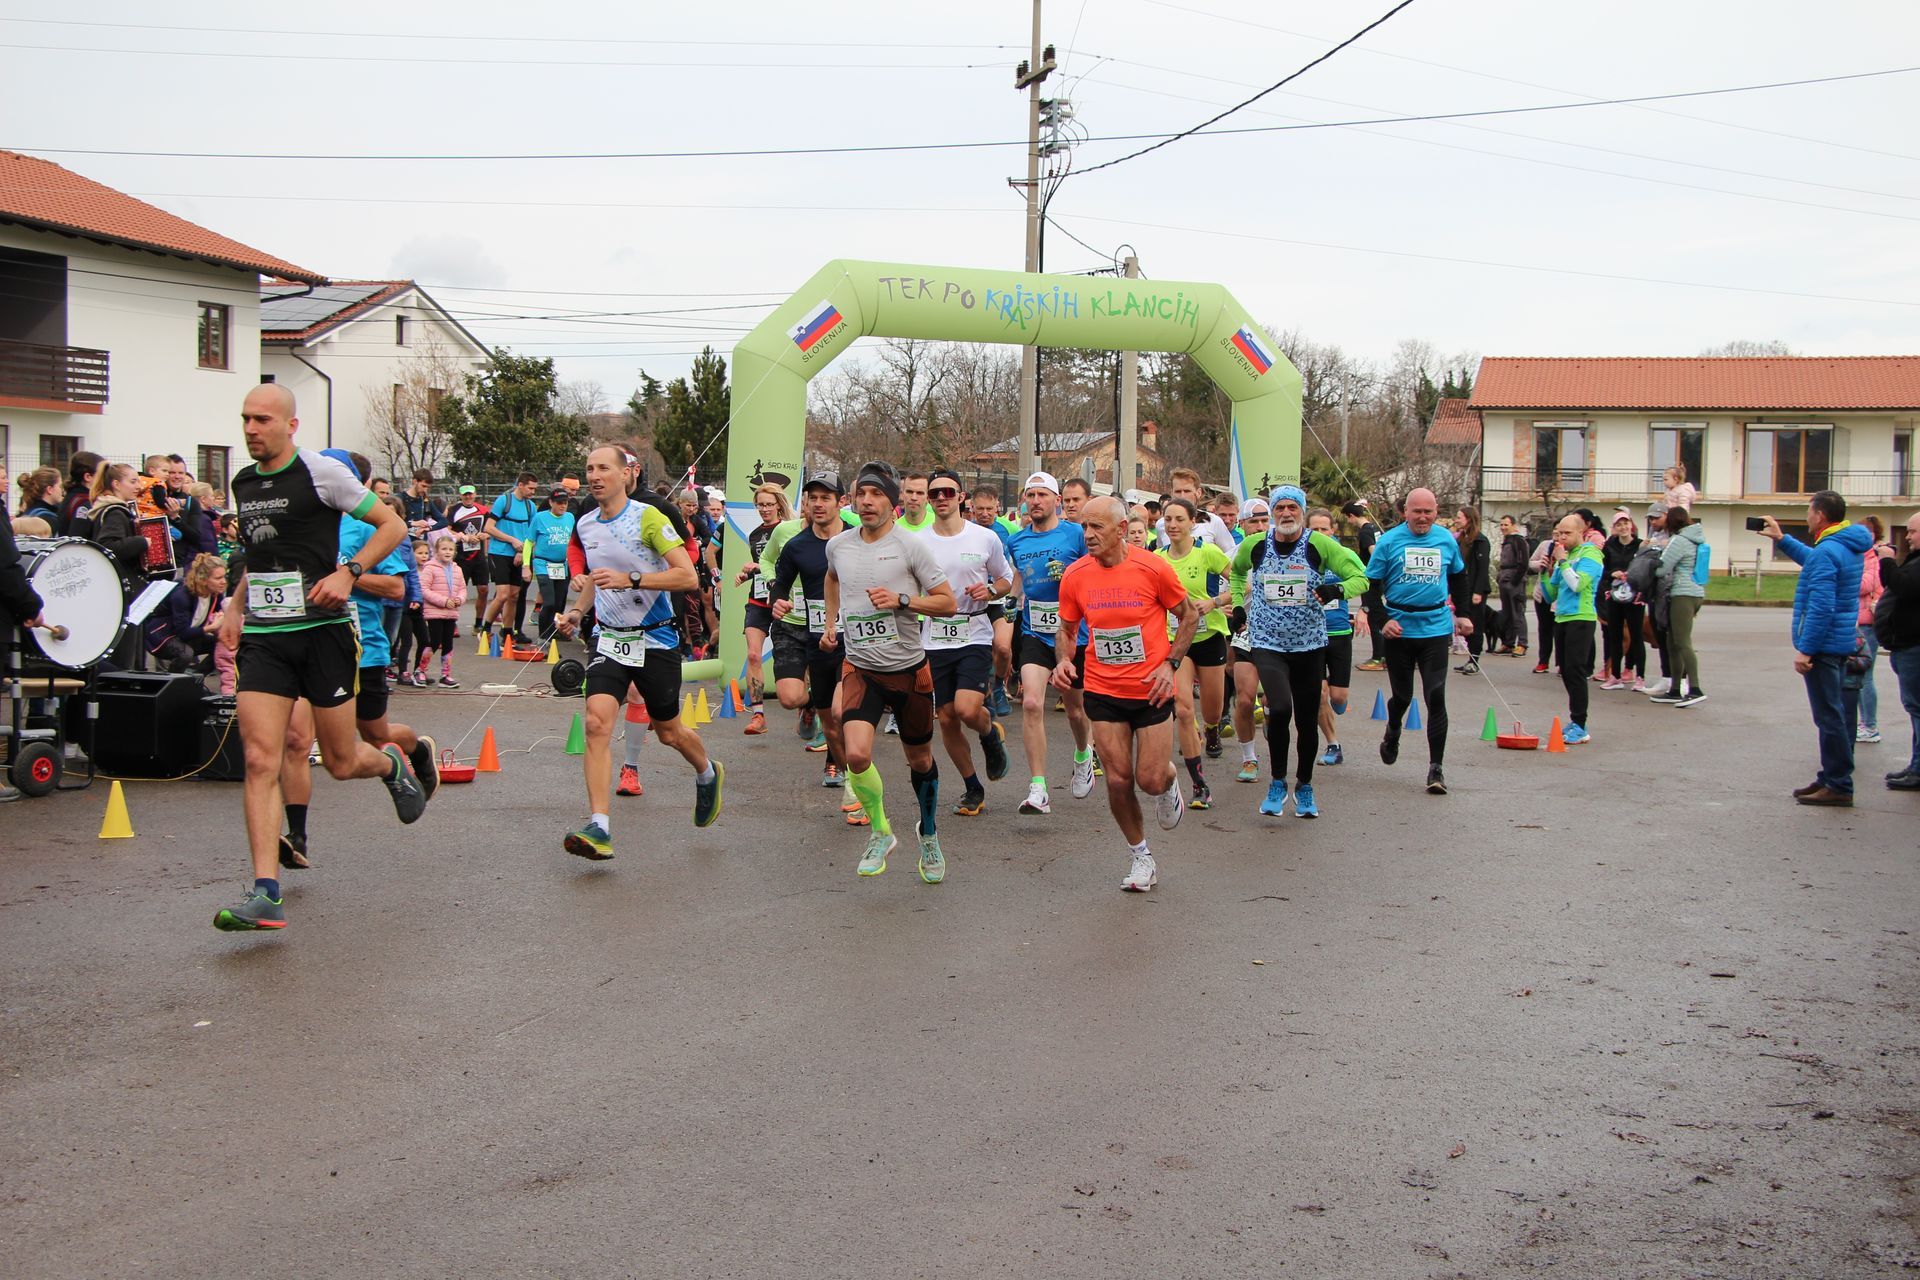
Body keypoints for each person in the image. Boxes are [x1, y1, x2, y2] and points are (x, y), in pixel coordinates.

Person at [213, 384, 427, 932]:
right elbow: (261, 554)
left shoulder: (321, 474)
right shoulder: (243, 482)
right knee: (260, 759)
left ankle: (391, 763)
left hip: (322, 634)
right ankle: (266, 893)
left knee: (341, 761)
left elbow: (394, 526)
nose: (251, 429)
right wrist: (235, 605)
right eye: (246, 419)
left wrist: (349, 573)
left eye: (262, 419)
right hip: (266, 637)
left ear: (291, 424)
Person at [554, 445, 723, 859]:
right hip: (610, 638)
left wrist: (631, 579)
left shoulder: (649, 517)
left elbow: (686, 576)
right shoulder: (586, 523)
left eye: (603, 468)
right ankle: (599, 826)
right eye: (589, 469)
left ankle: (706, 773)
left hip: (656, 639)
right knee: (596, 723)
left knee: (669, 732)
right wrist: (576, 612)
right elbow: (597, 578)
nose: (594, 476)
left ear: (625, 473)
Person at [1054, 496, 1199, 892]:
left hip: (1151, 689)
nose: (1087, 535)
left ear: (1121, 530)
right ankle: (1141, 856)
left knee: (1148, 780)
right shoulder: (1076, 575)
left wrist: (1170, 664)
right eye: (1084, 527)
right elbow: (1066, 629)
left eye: (1096, 527)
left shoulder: (1153, 568)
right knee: (1118, 781)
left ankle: (1168, 780)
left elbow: (1189, 615)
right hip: (1103, 689)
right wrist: (1064, 660)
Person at [821, 462, 957, 881]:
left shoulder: (911, 547)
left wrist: (903, 601)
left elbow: (947, 602)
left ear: (892, 502)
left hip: (908, 671)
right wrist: (831, 622)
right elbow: (831, 579)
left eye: (876, 494)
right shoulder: (838, 546)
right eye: (861, 493)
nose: (866, 501)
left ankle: (928, 833)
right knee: (856, 754)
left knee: (920, 759)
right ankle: (881, 831)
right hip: (860, 667)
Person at [1234, 488, 1368, 816]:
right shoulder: (1255, 545)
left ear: (1302, 511)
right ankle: (1277, 782)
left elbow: (1361, 577)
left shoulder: (1319, 544)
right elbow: (1235, 572)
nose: (1286, 513)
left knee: (1307, 720)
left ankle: (1304, 786)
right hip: (1267, 643)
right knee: (1280, 709)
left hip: (1309, 644)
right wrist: (1238, 606)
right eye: (1279, 507)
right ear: (1272, 512)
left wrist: (1338, 589)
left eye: (1292, 507)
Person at [907, 469, 1012, 816]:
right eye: (934, 493)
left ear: (961, 496)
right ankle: (973, 787)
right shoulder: (917, 541)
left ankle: (989, 734)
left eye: (948, 492)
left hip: (973, 632)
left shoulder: (984, 538)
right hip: (934, 637)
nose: (941, 498)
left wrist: (991, 590)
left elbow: (1005, 578)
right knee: (947, 717)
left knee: (967, 710)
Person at [1758, 493, 1874, 805]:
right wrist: (1782, 539)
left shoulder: (1828, 549)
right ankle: (1831, 777)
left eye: (1809, 511)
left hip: (1823, 646)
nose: (1807, 516)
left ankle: (1838, 784)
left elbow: (1821, 607)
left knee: (1829, 716)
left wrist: (1806, 650)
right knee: (1834, 713)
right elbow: (1816, 561)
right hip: (1838, 642)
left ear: (1820, 514)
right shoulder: (1843, 545)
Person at [1364, 487, 1473, 794]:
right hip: (1400, 629)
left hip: (1435, 628)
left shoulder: (1445, 540)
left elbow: (1459, 578)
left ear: (1436, 512)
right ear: (1405, 512)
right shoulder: (1389, 541)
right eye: (1417, 512)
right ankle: (1393, 729)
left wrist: (1463, 614)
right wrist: (1383, 621)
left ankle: (1436, 768)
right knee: (1402, 697)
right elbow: (1371, 586)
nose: (1423, 518)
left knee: (1435, 696)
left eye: (1428, 512)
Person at [1006, 471, 1096, 814]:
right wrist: (1011, 598)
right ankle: (1038, 788)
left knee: (1075, 710)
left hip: (1074, 636)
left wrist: (1074, 580)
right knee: (1031, 703)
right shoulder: (1017, 541)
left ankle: (1083, 754)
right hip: (1035, 633)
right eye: (1030, 495)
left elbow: (1095, 570)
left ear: (1057, 500)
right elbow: (1021, 576)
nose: (1036, 501)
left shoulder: (1076, 534)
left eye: (1042, 495)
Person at [766, 474, 856, 794]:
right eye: (812, 498)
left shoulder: (858, 537)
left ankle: (851, 777)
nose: (817, 504)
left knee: (840, 712)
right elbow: (780, 584)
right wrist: (777, 600)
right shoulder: (797, 546)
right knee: (826, 721)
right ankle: (842, 765)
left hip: (853, 640)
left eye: (825, 498)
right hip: (817, 638)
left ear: (841, 502)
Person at [1155, 497, 1232, 808]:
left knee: (1211, 712)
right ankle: (1200, 785)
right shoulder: (1157, 559)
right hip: (1176, 642)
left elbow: (1242, 582)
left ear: (1192, 523)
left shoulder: (1207, 552)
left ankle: (1212, 730)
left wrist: (1215, 602)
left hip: (1209, 636)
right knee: (1184, 709)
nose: (1173, 525)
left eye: (1179, 519)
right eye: (1168, 519)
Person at [1307, 507, 1368, 768]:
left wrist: (1364, 610)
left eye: (1325, 529)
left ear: (1333, 530)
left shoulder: (1343, 555)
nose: (1320, 533)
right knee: (1319, 694)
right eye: (1315, 529)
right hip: (1311, 635)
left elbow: (1365, 580)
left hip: (1339, 633)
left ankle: (1338, 697)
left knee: (1338, 697)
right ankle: (1333, 744)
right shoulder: (1302, 557)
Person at [731, 482, 791, 734]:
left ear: (778, 505)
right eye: (760, 505)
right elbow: (760, 566)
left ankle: (809, 708)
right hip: (758, 600)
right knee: (754, 655)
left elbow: (789, 566)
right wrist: (746, 575)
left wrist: (758, 567)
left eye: (768, 504)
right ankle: (758, 716)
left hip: (783, 600)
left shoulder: (788, 530)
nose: (764, 509)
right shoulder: (754, 534)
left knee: (793, 656)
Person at [1543, 514, 1603, 745]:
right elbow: (1552, 593)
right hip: (1562, 617)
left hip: (1581, 617)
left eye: (1567, 533)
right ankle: (1575, 720)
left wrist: (1563, 562)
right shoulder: (1565, 556)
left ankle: (1580, 723)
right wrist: (1545, 572)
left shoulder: (1590, 553)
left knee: (1576, 670)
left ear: (1581, 532)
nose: (1562, 538)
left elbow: (1577, 584)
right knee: (1565, 670)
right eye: (1559, 533)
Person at [1873, 511, 1920, 789]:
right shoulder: (1915, 560)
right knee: (1915, 708)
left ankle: (1918, 770)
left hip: (1914, 647)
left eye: (1912, 531)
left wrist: (1887, 561)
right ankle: (1916, 766)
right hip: (1907, 646)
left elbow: (1904, 586)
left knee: (1917, 708)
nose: (1908, 537)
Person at [1227, 498, 1271, 782]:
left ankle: (1269, 710)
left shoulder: (1284, 550)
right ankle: (1249, 759)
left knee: (1276, 702)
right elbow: (1223, 591)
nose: (1260, 526)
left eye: (1264, 521)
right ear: (1242, 524)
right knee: (1244, 700)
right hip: (1245, 632)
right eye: (1253, 521)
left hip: (1278, 636)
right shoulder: (1232, 555)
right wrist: (1226, 605)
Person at [1653, 505, 1708, 707]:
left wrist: (1650, 561)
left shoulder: (1680, 540)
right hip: (1695, 591)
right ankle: (1674, 690)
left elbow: (1661, 569)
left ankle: (1695, 689)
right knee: (1673, 642)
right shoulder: (1696, 538)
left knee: (1682, 642)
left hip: (1683, 593)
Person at [482, 472, 539, 647]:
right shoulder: (503, 501)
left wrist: (523, 552)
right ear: (520, 485)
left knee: (514, 595)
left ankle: (508, 634)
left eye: (535, 489)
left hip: (518, 555)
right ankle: (485, 629)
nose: (533, 492)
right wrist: (512, 540)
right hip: (499, 553)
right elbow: (489, 528)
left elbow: (531, 535)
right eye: (530, 488)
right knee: (503, 595)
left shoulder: (531, 507)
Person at [148, 552, 227, 674]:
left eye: (224, 577)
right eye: (218, 578)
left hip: (187, 635)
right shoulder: (182, 595)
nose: (224, 582)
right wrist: (212, 627)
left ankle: (196, 678)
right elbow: (183, 632)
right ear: (203, 580)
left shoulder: (215, 594)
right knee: (185, 654)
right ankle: (173, 682)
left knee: (222, 646)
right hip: (162, 637)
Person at [1599, 509, 1646, 690]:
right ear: (1614, 528)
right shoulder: (1609, 545)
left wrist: (1633, 576)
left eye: (1626, 523)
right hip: (1615, 595)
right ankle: (1615, 676)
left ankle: (1640, 677)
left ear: (1631, 525)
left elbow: (1647, 568)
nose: (1623, 527)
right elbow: (1602, 570)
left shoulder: (1640, 545)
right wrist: (1613, 573)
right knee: (1615, 636)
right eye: (1619, 524)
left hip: (1635, 596)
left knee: (1636, 635)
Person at [416, 532, 467, 687]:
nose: (447, 552)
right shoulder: (430, 568)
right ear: (436, 551)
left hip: (451, 613)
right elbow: (424, 589)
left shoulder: (457, 569)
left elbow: (462, 588)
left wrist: (459, 599)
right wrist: (444, 601)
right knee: (434, 641)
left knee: (448, 643)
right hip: (434, 612)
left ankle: (445, 675)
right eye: (444, 549)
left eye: (450, 549)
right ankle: (420, 670)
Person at [528, 486, 576, 641]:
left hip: (562, 565)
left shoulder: (570, 517)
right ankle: (543, 637)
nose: (563, 506)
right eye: (559, 503)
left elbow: (573, 541)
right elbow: (529, 542)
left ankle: (554, 632)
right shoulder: (540, 517)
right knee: (548, 602)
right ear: (551, 502)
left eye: (565, 503)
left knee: (558, 604)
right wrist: (525, 566)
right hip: (543, 564)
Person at [1855, 515, 1888, 744]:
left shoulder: (1873, 559)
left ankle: (1870, 725)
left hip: (1868, 625)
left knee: (1865, 676)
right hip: (1860, 623)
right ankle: (1864, 722)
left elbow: (1863, 585)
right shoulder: (1862, 556)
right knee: (1857, 675)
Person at [1346, 500, 1386, 670]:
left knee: (1373, 616)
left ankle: (1379, 657)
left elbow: (1374, 551)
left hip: (1371, 579)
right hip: (1380, 579)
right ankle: (1384, 655)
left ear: (1351, 516)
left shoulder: (1364, 532)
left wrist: (1372, 571)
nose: (1348, 522)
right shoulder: (1374, 527)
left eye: (1347, 518)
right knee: (1381, 615)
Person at [445, 484, 491, 634]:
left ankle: (478, 624)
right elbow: (446, 529)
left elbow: (491, 528)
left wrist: (485, 535)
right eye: (465, 494)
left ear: (475, 494)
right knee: (456, 590)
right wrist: (464, 537)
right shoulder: (453, 510)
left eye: (470, 494)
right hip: (460, 556)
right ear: (460, 495)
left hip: (478, 556)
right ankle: (452, 622)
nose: (468, 497)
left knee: (483, 589)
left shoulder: (483, 510)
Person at [1452, 506, 1493, 675]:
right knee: (1464, 623)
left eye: (1459, 517)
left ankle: (1474, 659)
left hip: (1475, 589)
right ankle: (1470, 657)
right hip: (1463, 588)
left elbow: (1482, 568)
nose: (1456, 520)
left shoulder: (1480, 541)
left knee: (1475, 624)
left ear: (1468, 519)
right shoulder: (1460, 540)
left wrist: (1479, 591)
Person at [393, 539, 432, 683]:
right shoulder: (406, 567)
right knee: (406, 642)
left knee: (425, 641)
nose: (424, 556)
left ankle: (419, 671)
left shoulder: (429, 570)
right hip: (404, 609)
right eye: (420, 553)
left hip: (417, 609)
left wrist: (417, 600)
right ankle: (403, 672)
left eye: (426, 553)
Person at [1493, 514, 1530, 656]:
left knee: (1517, 613)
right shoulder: (1507, 540)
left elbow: (1524, 563)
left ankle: (1522, 644)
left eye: (1506, 525)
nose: (1503, 527)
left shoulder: (1519, 541)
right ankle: (1508, 643)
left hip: (1515, 582)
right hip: (1504, 580)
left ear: (1513, 525)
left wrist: (1515, 580)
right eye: (1501, 525)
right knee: (1507, 614)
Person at [57, 450, 102, 532]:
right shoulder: (84, 503)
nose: (104, 479)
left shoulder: (70, 496)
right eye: (101, 475)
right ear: (88, 477)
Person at [16, 467, 64, 531]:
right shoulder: (48, 519)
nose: (62, 490)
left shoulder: (29, 512)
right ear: (50, 489)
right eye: (60, 486)